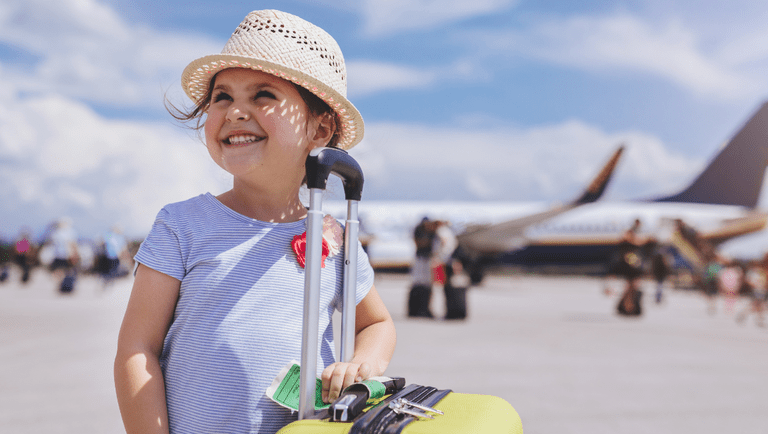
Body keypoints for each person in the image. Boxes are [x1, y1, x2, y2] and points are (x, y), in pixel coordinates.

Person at [114, 10, 396, 434]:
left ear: (320, 129)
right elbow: (138, 348)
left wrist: (362, 363)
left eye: (262, 95)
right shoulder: (183, 224)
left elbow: (377, 323)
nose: (235, 112)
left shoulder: (336, 237)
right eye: (222, 97)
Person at [408, 217, 437, 317]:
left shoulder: (432, 232)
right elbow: (419, 243)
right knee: (419, 281)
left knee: (427, 283)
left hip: (428, 258)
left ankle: (424, 308)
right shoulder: (419, 231)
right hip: (421, 257)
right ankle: (417, 309)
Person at [616, 219, 645, 316]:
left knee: (632, 286)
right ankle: (628, 305)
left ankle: (628, 305)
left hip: (633, 264)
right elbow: (629, 240)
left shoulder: (633, 233)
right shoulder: (630, 233)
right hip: (630, 265)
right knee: (631, 286)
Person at [48, 218, 79, 294]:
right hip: (63, 255)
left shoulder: (56, 233)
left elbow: (73, 244)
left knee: (64, 272)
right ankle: (65, 286)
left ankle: (65, 286)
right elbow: (73, 244)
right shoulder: (67, 232)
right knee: (65, 272)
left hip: (63, 255)